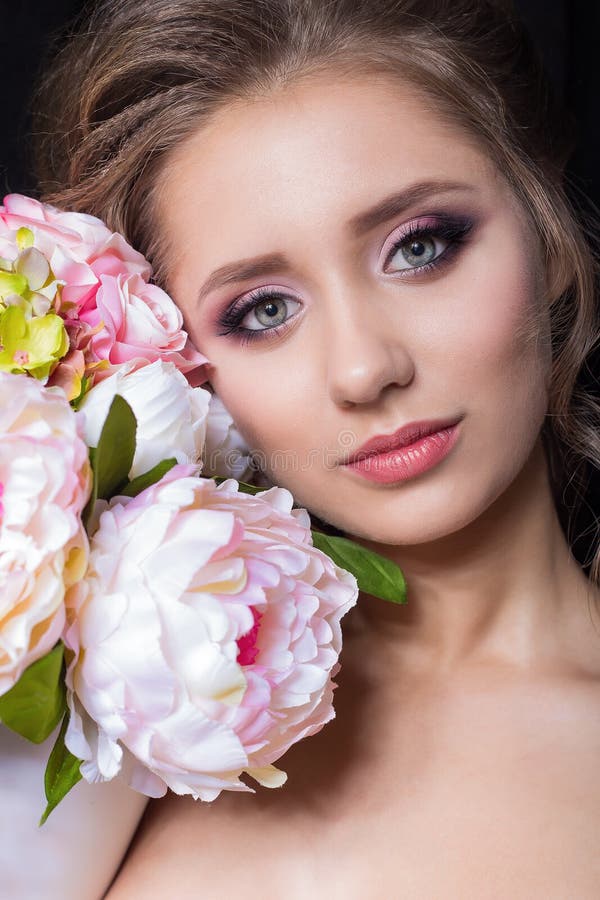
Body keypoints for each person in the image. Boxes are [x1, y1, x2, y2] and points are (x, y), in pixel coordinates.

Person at [33, 0, 600, 896]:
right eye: (263, 310)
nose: (366, 367)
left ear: (548, 234)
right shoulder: (109, 712)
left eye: (421, 248)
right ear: (176, 357)